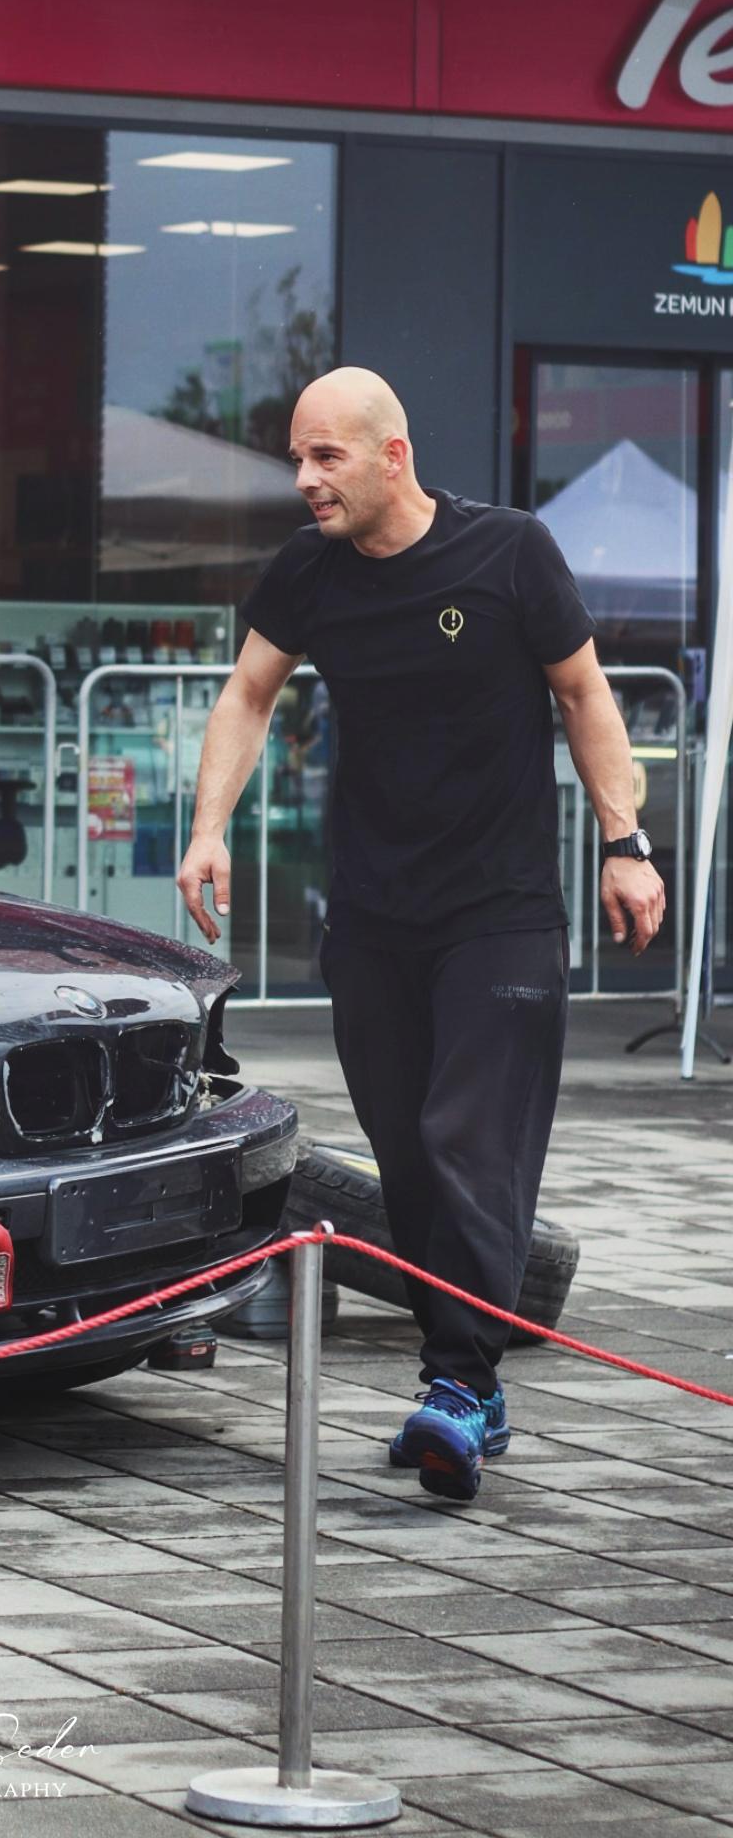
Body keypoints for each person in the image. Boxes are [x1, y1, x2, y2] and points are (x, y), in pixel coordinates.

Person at [178, 367, 665, 1505]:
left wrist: (625, 841)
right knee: (406, 1157)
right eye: (297, 460)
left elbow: (584, 695)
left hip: (500, 912)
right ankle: (472, 1390)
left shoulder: (509, 552)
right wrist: (208, 831)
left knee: (465, 1141)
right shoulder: (308, 571)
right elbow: (248, 693)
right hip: (373, 915)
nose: (305, 481)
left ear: (391, 454)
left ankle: (455, 1384)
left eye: (325, 457)